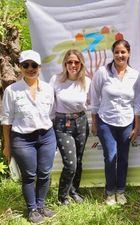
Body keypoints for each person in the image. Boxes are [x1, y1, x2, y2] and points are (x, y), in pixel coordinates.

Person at [2, 50, 57, 223]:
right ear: (20, 67)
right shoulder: (12, 90)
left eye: (34, 65)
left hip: (47, 136)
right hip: (22, 139)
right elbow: (6, 120)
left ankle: (41, 204)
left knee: (45, 173)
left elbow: (52, 114)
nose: (30, 68)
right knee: (29, 175)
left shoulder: (48, 89)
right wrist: (7, 144)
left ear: (40, 67)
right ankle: (32, 209)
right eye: (26, 65)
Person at [90, 39, 140, 205]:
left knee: (124, 158)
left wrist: (137, 124)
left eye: (123, 52)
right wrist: (94, 121)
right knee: (110, 157)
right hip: (106, 121)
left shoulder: (135, 75)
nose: (120, 55)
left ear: (129, 53)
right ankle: (110, 192)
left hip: (127, 122)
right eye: (117, 52)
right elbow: (94, 98)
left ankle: (121, 191)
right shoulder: (102, 73)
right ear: (113, 54)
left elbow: (138, 102)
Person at [49, 49, 91, 205]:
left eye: (76, 62)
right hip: (61, 124)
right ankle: (63, 196)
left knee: (79, 160)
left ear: (81, 64)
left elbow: (93, 103)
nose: (73, 65)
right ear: (65, 64)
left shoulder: (87, 81)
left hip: (80, 122)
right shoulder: (56, 80)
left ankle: (74, 191)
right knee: (70, 163)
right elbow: (49, 104)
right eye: (70, 62)